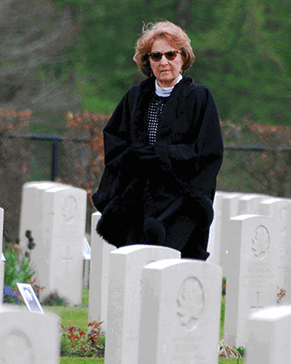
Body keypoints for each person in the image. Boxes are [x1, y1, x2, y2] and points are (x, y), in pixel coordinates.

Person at [92, 21, 223, 260]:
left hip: (180, 201)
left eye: (171, 54)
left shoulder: (199, 97)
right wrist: (135, 157)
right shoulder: (134, 97)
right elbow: (114, 141)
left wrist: (166, 155)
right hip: (138, 199)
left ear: (183, 57)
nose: (164, 62)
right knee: (135, 265)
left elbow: (208, 151)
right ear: (147, 61)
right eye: (156, 56)